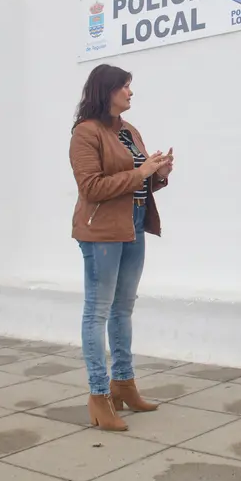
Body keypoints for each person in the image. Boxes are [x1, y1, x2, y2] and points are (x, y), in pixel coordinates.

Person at [69, 63, 174, 432]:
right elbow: (92, 188)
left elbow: (138, 182)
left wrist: (158, 173)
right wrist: (140, 173)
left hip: (134, 226)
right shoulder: (86, 132)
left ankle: (124, 385)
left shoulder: (130, 130)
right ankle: (98, 395)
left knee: (123, 308)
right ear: (107, 90)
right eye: (125, 87)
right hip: (101, 232)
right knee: (97, 312)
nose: (131, 93)